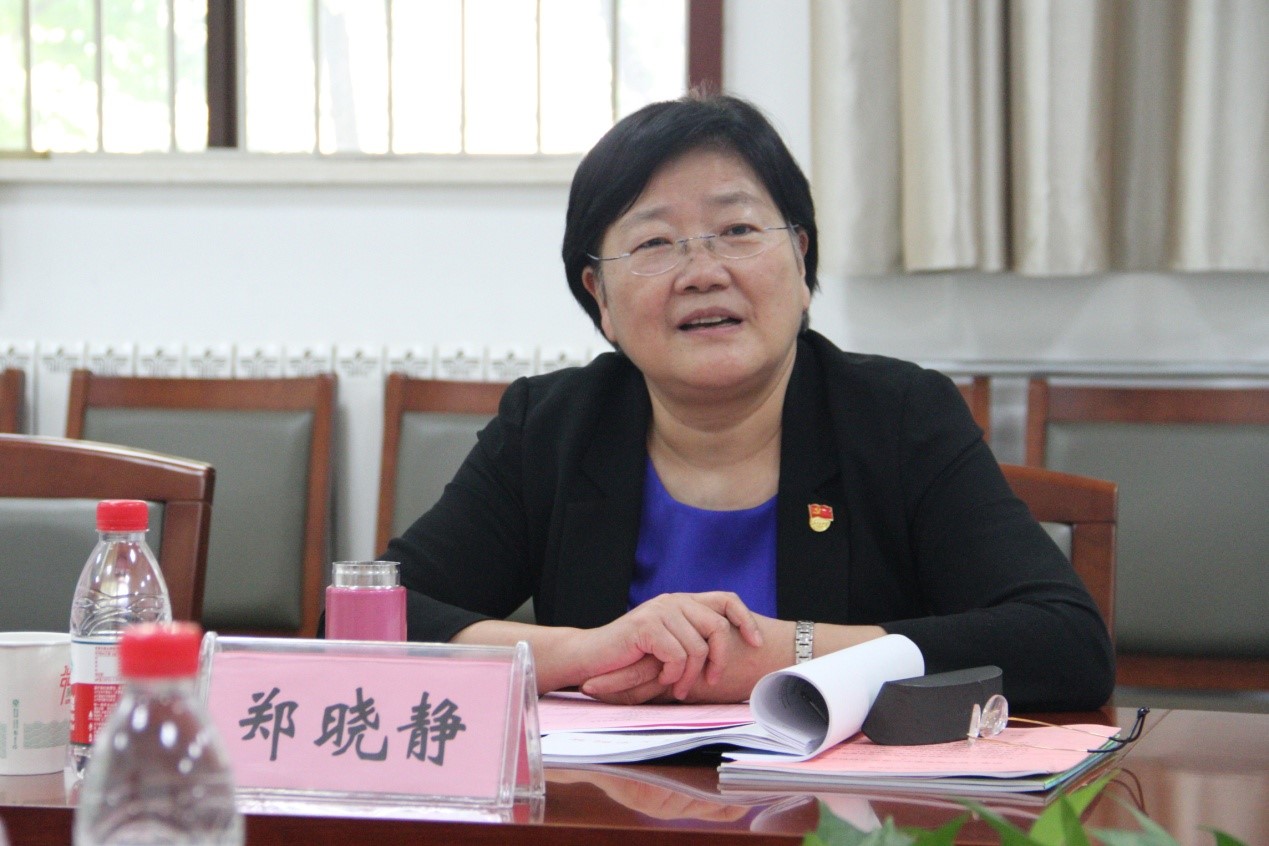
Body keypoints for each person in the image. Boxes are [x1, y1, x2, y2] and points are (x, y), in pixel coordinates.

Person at [382, 93, 1114, 711]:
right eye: (655, 243)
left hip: (838, 812)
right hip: (606, 807)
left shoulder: (897, 416)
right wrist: (584, 652)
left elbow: (1064, 643)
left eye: (737, 231)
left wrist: (794, 655)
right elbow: (367, 617)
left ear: (800, 258)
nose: (702, 272)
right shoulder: (550, 426)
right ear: (599, 296)